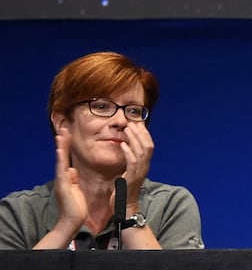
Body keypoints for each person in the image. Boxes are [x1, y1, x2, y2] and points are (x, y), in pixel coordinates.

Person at [0, 51, 204, 250]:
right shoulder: (18, 212)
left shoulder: (171, 205)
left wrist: (130, 209)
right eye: (101, 106)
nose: (121, 121)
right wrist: (66, 226)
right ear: (63, 123)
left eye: (133, 111)